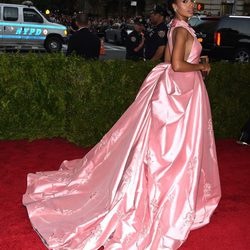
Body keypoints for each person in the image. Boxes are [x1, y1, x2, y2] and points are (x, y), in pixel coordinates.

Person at [23, 0, 221, 249]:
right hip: (182, 91)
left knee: (169, 146)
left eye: (193, 1)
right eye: (185, 1)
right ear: (174, 5)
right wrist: (201, 65)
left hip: (179, 92)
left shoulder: (176, 27)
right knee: (177, 147)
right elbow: (178, 65)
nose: (191, 5)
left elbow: (168, 61)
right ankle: (169, 196)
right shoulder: (180, 29)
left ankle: (165, 190)